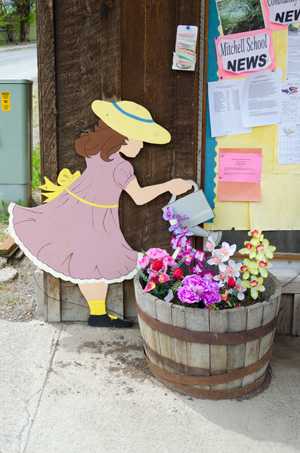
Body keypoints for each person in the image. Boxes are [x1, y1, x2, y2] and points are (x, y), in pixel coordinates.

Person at [9, 100, 191, 327]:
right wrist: (169, 186)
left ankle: (98, 314)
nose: (143, 146)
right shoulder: (121, 167)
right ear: (123, 137)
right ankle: (98, 314)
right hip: (96, 219)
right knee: (93, 263)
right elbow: (139, 197)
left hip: (76, 208)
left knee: (89, 264)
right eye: (139, 138)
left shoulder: (96, 154)